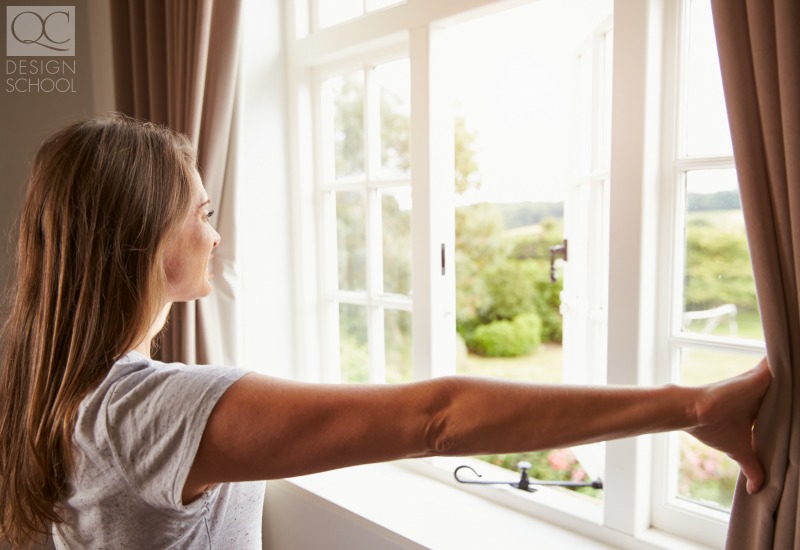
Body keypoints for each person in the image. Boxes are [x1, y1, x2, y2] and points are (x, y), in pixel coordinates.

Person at [0, 114, 770, 548]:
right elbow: (435, 418)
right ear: (151, 240)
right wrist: (692, 406)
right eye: (202, 213)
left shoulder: (62, 380)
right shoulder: (149, 411)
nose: (215, 232)